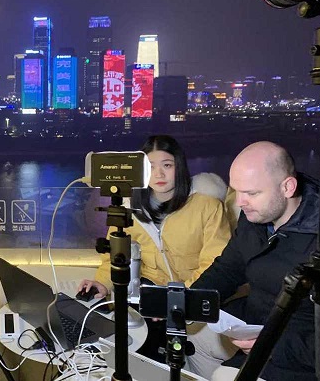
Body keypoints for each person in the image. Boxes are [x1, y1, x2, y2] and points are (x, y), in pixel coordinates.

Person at [79, 135, 231, 359]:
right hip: (146, 300)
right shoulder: (129, 209)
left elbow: (215, 263)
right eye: (151, 167)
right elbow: (115, 257)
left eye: (167, 165)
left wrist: (176, 300)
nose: (159, 174)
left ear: (179, 166)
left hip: (190, 300)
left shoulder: (207, 207)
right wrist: (102, 284)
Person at [187, 141, 319, 381]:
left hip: (297, 356)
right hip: (256, 325)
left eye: (251, 193)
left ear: (288, 187)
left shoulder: (319, 241)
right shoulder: (256, 216)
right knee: (189, 337)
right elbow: (227, 269)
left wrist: (270, 345)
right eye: (236, 190)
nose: (240, 202)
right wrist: (185, 303)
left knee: (222, 376)